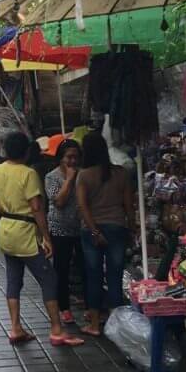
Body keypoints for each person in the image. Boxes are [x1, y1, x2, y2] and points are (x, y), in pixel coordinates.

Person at [0, 132, 85, 347]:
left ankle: (15, 328)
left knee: (14, 279)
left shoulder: (0, 169)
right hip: (25, 231)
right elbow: (36, 208)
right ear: (26, 151)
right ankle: (57, 330)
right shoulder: (28, 173)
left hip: (6, 231)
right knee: (49, 279)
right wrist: (46, 237)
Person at [77, 132, 135, 336]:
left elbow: (83, 207)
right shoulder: (121, 173)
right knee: (115, 277)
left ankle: (93, 325)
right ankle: (117, 325)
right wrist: (132, 228)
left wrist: (94, 230)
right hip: (117, 228)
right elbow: (129, 206)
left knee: (93, 277)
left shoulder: (84, 175)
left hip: (92, 231)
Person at [45, 140, 83, 326]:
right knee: (62, 269)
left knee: (84, 268)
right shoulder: (52, 177)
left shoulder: (83, 175)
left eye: (76, 157)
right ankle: (64, 308)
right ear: (61, 158)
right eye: (69, 157)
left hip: (81, 227)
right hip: (59, 228)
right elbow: (58, 202)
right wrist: (69, 179)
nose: (73, 161)